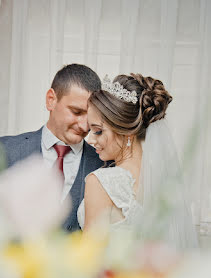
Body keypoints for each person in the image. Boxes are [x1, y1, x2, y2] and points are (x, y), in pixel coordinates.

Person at [77, 73, 198, 250]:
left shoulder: (101, 182)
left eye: (98, 131)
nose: (90, 139)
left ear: (126, 132)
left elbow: (88, 260)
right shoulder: (166, 180)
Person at [0, 64, 104, 232]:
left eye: (90, 116)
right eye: (76, 112)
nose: (84, 125)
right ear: (51, 100)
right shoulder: (5, 149)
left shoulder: (101, 164)